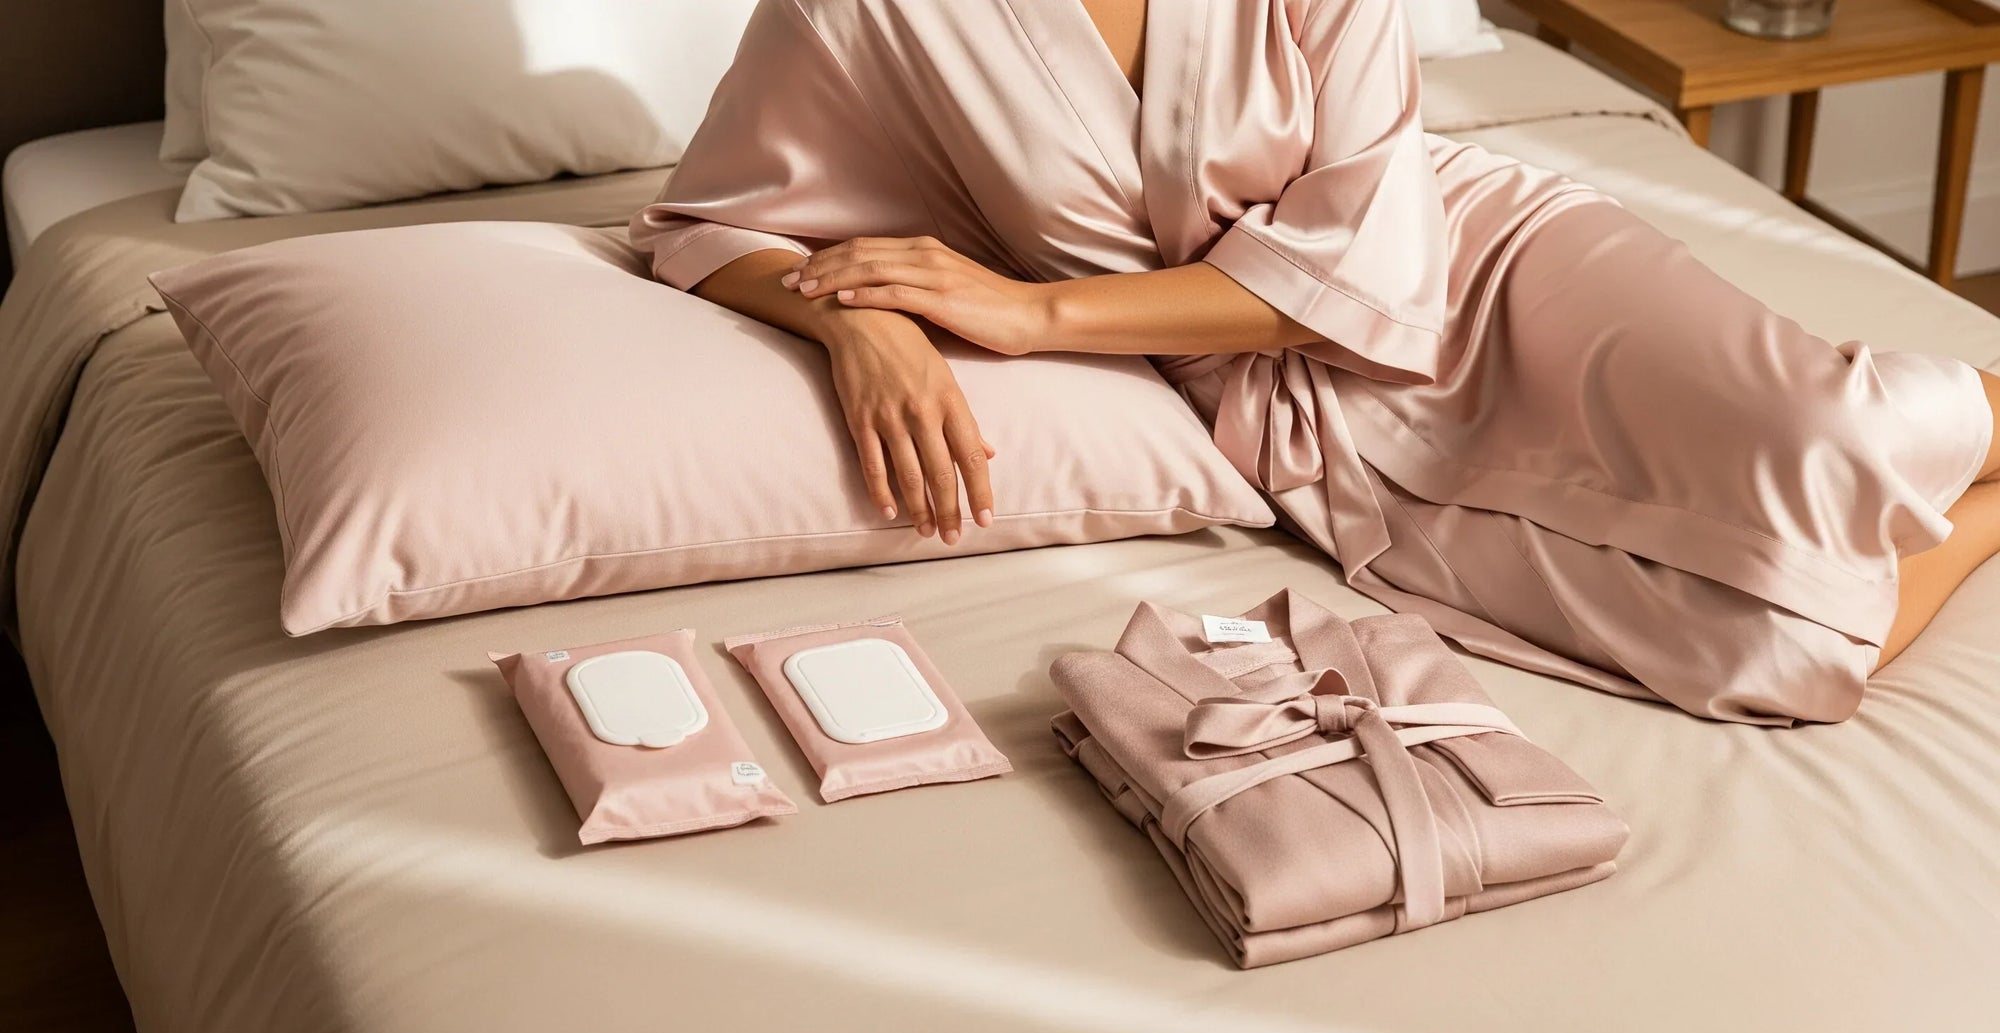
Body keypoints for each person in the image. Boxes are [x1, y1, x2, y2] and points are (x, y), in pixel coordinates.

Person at [630, 0, 1999, 723]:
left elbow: (1371, 253)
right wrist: (856, 317)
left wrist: (1032, 316)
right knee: (1750, 650)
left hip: (1475, 264)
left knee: (1836, 438)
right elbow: (715, 218)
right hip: (1280, 406)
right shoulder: (869, 7)